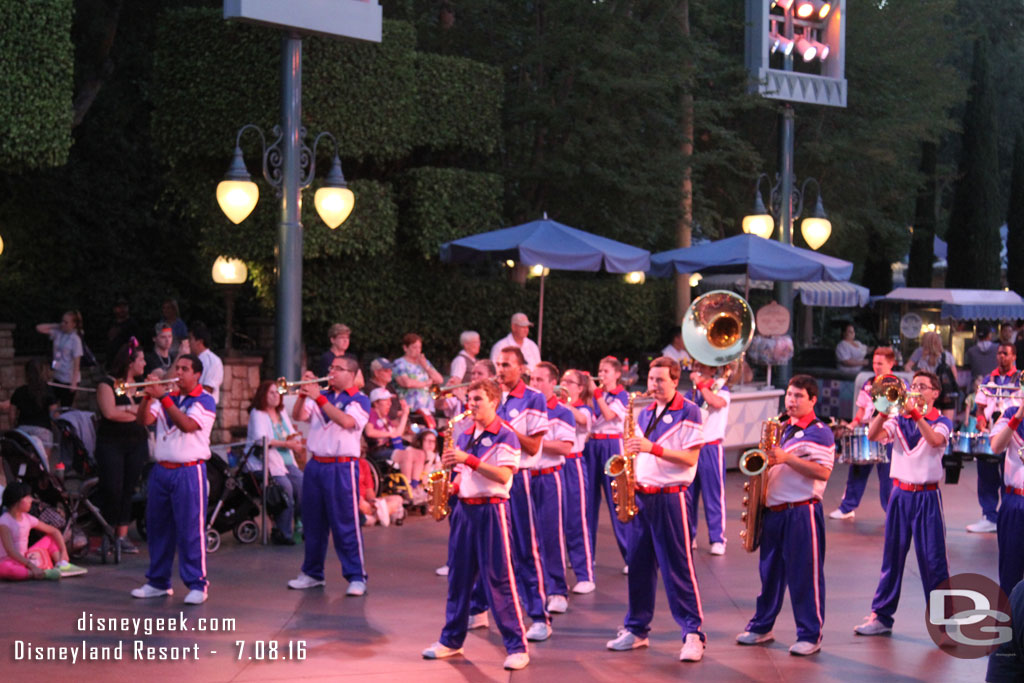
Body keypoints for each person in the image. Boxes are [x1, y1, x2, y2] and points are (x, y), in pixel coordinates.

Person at [421, 379, 530, 671]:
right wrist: (448, 490)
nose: (472, 404)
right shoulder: (466, 433)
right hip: (465, 512)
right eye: (470, 399)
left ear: (494, 402)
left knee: (500, 579)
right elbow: (461, 475)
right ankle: (451, 640)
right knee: (458, 578)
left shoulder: (506, 435)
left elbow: (504, 476)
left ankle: (517, 646)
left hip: (492, 511)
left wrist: (467, 459)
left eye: (478, 399)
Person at [605, 357, 706, 662]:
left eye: (660, 380)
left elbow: (690, 459)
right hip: (642, 496)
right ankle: (637, 629)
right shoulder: (646, 411)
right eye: (651, 379)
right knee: (638, 566)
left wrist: (652, 448)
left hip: (671, 497)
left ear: (676, 382)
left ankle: (693, 634)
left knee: (678, 567)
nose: (653, 385)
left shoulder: (689, 411)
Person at [736, 374, 835, 656]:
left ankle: (810, 634)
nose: (791, 401)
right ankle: (762, 626)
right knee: (770, 574)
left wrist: (788, 458)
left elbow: (824, 472)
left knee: (805, 575)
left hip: (801, 511)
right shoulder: (781, 427)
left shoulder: (820, 432)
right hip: (774, 512)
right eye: (789, 395)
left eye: (798, 396)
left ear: (813, 400)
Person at [854, 370, 952, 637]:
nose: (916, 389)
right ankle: (882, 616)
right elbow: (872, 435)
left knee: (933, 559)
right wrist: (885, 410)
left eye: (923, 386)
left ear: (935, 393)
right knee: (892, 557)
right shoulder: (897, 420)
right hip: (899, 495)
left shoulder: (942, 421)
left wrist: (917, 414)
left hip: (927, 497)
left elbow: (934, 441)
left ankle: (943, 621)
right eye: (914, 385)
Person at [470, 346, 550, 641]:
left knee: (525, 549)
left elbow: (532, 447)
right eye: (498, 364)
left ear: (521, 368)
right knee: (485, 548)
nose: (500, 369)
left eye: (506, 365)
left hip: (518, 480)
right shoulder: (490, 396)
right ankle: (477, 609)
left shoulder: (533, 398)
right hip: (487, 481)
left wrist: (502, 427)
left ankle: (539, 616)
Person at [132, 354, 217, 604]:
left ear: (197, 374)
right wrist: (148, 395)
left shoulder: (205, 400)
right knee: (157, 527)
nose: (178, 372)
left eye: (184, 368)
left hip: (189, 471)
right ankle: (158, 582)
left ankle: (198, 585)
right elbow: (143, 420)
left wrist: (162, 396)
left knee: (190, 529)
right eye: (177, 367)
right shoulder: (169, 397)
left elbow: (187, 425)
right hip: (162, 470)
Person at [286, 356, 371, 596]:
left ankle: (356, 576)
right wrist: (303, 394)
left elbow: (346, 421)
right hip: (316, 465)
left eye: (338, 368)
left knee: (346, 524)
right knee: (313, 523)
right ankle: (312, 573)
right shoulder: (322, 396)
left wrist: (318, 397)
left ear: (351, 375)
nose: (331, 371)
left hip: (342, 467)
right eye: (331, 367)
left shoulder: (360, 400)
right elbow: (299, 416)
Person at [829, 347, 899, 520]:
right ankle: (847, 507)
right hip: (868, 431)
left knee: (888, 477)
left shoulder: (896, 384)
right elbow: (861, 410)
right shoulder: (868, 382)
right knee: (857, 469)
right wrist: (852, 425)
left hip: (887, 433)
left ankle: (892, 513)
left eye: (880, 363)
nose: (876, 366)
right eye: (874, 363)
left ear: (891, 363)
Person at [95, 340, 150, 555]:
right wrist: (134, 412)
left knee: (128, 489)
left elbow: (146, 413)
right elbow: (110, 413)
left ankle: (122, 535)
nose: (145, 363)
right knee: (112, 488)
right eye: (141, 359)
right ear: (130, 362)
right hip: (112, 444)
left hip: (135, 443)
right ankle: (107, 534)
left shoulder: (132, 386)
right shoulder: (109, 384)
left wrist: (130, 410)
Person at [529, 361, 575, 614]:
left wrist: (532, 441)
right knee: (524, 536)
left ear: (552, 384)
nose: (534, 384)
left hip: (549, 477)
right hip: (525, 477)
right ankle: (532, 589)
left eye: (539, 380)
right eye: (532, 379)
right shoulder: (525, 408)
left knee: (551, 534)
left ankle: (557, 589)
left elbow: (565, 448)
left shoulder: (562, 412)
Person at [584, 356, 633, 566]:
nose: (601, 374)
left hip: (612, 447)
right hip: (592, 445)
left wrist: (595, 393)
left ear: (617, 374)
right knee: (588, 503)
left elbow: (609, 415)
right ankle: (587, 556)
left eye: (605, 371)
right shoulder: (597, 395)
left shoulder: (622, 395)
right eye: (600, 371)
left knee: (617, 501)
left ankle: (630, 557)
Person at [969, 343, 1021, 534]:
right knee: (987, 475)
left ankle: (1009, 515)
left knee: (1011, 475)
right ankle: (989, 516)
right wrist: (981, 421)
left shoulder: (1020, 379)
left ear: (1014, 356)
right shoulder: (988, 380)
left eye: (1005, 354)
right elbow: (981, 409)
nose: (1001, 357)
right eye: (999, 353)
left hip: (1014, 432)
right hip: (993, 432)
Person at [246, 379, 305, 546]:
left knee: (302, 484)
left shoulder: (281, 412)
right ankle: (282, 531)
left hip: (287, 460)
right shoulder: (257, 414)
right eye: (271, 393)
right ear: (263, 396)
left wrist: (297, 442)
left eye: (277, 392)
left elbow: (291, 432)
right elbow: (261, 440)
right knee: (284, 487)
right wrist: (287, 444)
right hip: (266, 462)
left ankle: (303, 525)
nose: (276, 395)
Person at [684, 361, 731, 555]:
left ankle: (717, 538)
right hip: (692, 448)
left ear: (712, 370)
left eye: (702, 367)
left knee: (713, 495)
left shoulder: (722, 389)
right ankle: (690, 535)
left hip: (711, 448)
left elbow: (715, 403)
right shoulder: (691, 393)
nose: (697, 371)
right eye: (695, 368)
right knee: (689, 496)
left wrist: (702, 384)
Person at [0, 482, 86, 580]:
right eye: (27, 497)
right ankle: (40, 573)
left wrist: (64, 551)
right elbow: (11, 551)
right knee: (4, 569)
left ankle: (62, 565)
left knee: (51, 538)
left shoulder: (27, 518)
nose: (31, 500)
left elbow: (54, 531)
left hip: (26, 559)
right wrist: (32, 566)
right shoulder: (4, 522)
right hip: (9, 561)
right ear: (17, 501)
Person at [560, 368, 596, 594]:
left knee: (576, 520)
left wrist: (563, 404)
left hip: (573, 465)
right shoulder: (553, 407)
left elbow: (583, 420)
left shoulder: (583, 408)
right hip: (552, 465)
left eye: (569, 382)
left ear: (580, 388)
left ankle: (585, 574)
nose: (564, 385)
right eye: (562, 381)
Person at [989, 403, 1024, 596]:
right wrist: (1019, 415)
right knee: (1010, 573)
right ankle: (1008, 625)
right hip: (1015, 501)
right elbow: (995, 446)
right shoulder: (1011, 412)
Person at [8, 359, 59, 460]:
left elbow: (11, 415)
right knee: (43, 463)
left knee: (23, 461)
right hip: (43, 431)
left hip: (22, 430)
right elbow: (54, 415)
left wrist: (14, 427)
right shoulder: (48, 391)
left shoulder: (19, 392)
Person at [392, 333, 444, 428]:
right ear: (405, 348)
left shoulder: (424, 363)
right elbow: (406, 383)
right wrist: (426, 383)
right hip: (410, 408)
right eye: (414, 347)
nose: (417, 351)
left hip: (427, 408)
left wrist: (426, 367)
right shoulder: (399, 363)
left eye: (419, 348)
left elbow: (439, 379)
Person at [36, 310, 84, 407]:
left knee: (65, 406)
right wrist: (57, 325)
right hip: (58, 376)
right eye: (62, 321)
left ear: (73, 324)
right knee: (49, 402)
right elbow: (39, 328)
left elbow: (76, 362)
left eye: (66, 322)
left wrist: (73, 383)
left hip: (68, 378)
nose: (63, 324)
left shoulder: (75, 339)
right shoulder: (58, 333)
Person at [364, 387, 410, 464]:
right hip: (377, 450)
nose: (390, 403)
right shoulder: (372, 413)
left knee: (417, 453)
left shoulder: (385, 418)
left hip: (390, 448)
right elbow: (369, 432)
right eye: (386, 400)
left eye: (390, 400)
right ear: (376, 403)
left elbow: (397, 434)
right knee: (407, 456)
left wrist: (405, 414)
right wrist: (389, 434)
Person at [318, 324, 365, 389]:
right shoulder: (326, 358)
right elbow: (334, 382)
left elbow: (360, 382)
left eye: (347, 338)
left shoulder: (352, 358)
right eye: (342, 338)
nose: (345, 341)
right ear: (332, 340)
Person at [395, 429, 434, 505]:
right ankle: (410, 492)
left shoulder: (434, 456)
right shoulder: (411, 451)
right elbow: (424, 481)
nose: (431, 444)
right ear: (420, 441)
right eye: (428, 441)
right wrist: (428, 461)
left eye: (433, 441)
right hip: (413, 487)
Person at [188, 322, 224, 406]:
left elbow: (207, 389)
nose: (188, 343)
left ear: (199, 342)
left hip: (203, 407)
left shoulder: (213, 361)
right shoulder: (192, 359)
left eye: (190, 339)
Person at [106, 298, 142, 366]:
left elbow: (135, 343)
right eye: (119, 307)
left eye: (124, 307)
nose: (122, 309)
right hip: (112, 361)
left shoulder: (132, 324)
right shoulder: (110, 324)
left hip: (126, 361)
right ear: (114, 309)